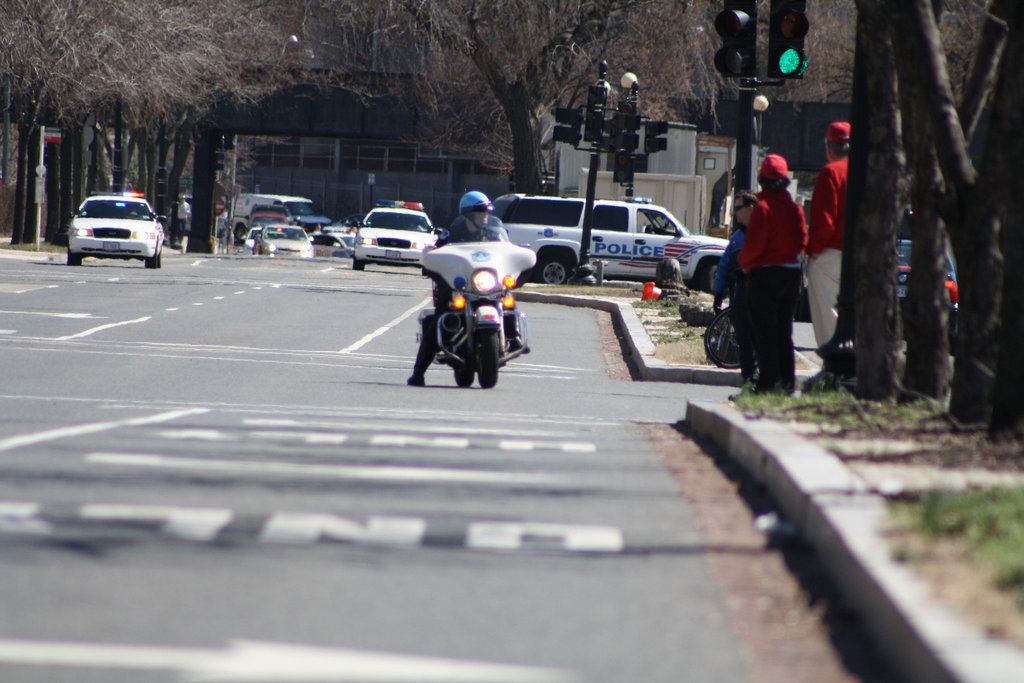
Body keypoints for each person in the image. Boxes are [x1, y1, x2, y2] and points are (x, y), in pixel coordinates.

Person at [407, 191, 509, 386]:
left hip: (486, 285)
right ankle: (418, 372)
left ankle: (513, 336)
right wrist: (433, 259)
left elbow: (506, 251)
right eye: (480, 212)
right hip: (458, 286)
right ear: (468, 214)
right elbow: (435, 256)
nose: (485, 216)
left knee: (509, 302)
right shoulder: (450, 235)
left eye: (486, 212)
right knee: (441, 318)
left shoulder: (496, 234)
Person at [738, 154, 807, 394]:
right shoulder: (795, 209)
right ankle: (787, 384)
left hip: (765, 276)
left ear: (762, 179)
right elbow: (802, 241)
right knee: (783, 333)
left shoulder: (763, 208)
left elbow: (755, 246)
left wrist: (744, 262)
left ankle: (767, 384)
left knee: (764, 334)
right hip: (791, 276)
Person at [806, 121, 850, 348]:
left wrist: (812, 252)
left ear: (828, 147)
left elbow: (825, 223)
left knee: (828, 318)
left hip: (831, 253)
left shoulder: (831, 172)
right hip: (860, 255)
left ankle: (833, 361)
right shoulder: (867, 171)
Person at [712, 191, 759, 384]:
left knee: (760, 339)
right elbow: (724, 266)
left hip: (761, 294)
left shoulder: (764, 232)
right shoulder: (737, 237)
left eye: (738, 209)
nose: (735, 214)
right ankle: (749, 381)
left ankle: (763, 382)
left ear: (751, 208)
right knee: (744, 339)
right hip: (740, 293)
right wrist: (718, 294)